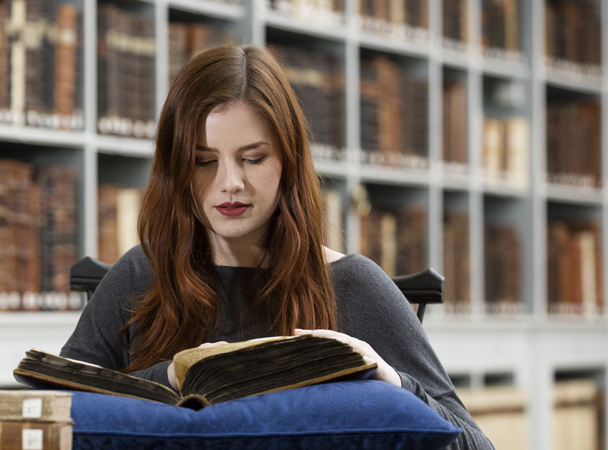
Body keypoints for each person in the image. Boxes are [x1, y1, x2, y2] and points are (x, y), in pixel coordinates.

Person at [60, 44, 493, 449]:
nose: (231, 183)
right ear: (176, 169)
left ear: (288, 161)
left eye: (253, 158)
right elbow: (59, 411)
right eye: (204, 161)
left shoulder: (353, 285)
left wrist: (392, 381)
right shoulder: (142, 273)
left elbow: (475, 443)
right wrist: (174, 375)